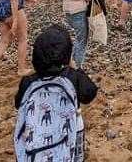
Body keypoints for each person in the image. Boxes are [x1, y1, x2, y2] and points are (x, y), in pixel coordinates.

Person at [14, 24, 98, 162]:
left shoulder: (28, 81)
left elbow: (18, 105)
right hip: (69, 134)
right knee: (77, 124)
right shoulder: (71, 77)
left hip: (34, 141)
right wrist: (73, 66)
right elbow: (89, 94)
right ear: (66, 54)